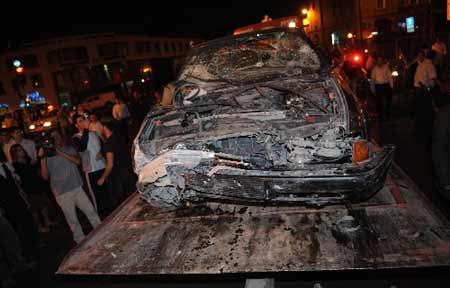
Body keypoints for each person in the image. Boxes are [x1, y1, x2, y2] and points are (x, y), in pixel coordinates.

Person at [39, 130, 101, 244]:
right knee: (73, 220)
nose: (55, 139)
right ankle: (80, 241)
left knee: (91, 211)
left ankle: (101, 232)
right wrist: (42, 159)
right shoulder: (46, 157)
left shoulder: (69, 149)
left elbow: (78, 161)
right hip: (62, 193)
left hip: (77, 188)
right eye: (52, 138)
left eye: (57, 136)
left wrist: (58, 151)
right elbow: (44, 176)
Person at [0, 148, 38, 261]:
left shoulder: (6, 165)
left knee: (27, 223)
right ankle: (22, 253)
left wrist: (23, 197)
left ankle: (33, 247)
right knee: (15, 229)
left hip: (17, 199)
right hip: (6, 204)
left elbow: (17, 182)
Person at [72, 114, 111, 219]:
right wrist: (85, 130)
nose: (83, 122)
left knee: (108, 194)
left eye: (83, 120)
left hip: (102, 167)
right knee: (98, 198)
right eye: (79, 121)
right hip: (91, 171)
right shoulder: (76, 137)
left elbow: (105, 145)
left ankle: (112, 215)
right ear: (76, 125)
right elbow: (82, 147)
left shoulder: (94, 133)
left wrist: (102, 152)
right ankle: (102, 219)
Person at [10, 144, 54, 233]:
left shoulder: (27, 158)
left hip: (37, 184)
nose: (22, 150)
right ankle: (39, 227)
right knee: (35, 209)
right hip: (29, 189)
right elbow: (26, 173)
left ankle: (47, 221)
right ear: (15, 154)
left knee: (44, 204)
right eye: (19, 150)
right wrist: (38, 158)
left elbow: (33, 168)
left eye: (21, 149)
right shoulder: (15, 164)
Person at [98, 121, 130, 208]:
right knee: (128, 198)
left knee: (120, 202)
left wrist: (103, 178)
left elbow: (110, 164)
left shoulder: (109, 144)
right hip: (126, 170)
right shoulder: (119, 138)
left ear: (105, 129)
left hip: (116, 175)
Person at [414, 50, 437, 146]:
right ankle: (422, 128)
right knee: (420, 110)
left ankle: (429, 130)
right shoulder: (420, 65)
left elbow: (432, 79)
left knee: (427, 110)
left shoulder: (429, 65)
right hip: (418, 89)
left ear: (424, 56)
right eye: (418, 56)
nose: (419, 57)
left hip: (424, 90)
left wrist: (427, 88)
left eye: (420, 56)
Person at [370, 56, 393, 120]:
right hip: (378, 86)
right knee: (379, 102)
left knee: (387, 100)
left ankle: (387, 114)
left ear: (382, 61)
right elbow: (372, 80)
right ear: (376, 62)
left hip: (385, 85)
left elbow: (389, 77)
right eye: (378, 60)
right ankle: (380, 116)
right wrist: (373, 89)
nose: (379, 62)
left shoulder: (386, 68)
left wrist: (391, 86)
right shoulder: (374, 69)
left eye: (380, 60)